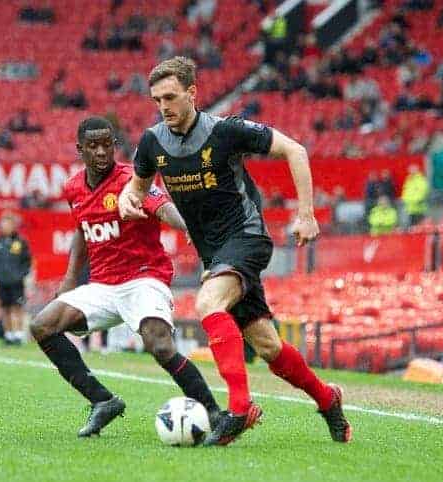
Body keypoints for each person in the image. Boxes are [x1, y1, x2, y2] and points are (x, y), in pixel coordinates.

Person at [119, 56, 351, 446]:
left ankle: (240, 408)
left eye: (171, 97)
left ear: (192, 92)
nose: (164, 107)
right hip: (215, 253)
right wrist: (129, 198)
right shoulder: (152, 141)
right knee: (267, 345)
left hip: (247, 236)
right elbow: (138, 188)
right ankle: (328, 400)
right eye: (157, 100)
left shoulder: (226, 131)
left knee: (208, 302)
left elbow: (295, 150)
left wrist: (307, 214)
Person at [29, 116, 221, 438]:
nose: (102, 152)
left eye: (107, 144)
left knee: (160, 346)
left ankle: (215, 413)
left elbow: (163, 207)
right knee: (42, 325)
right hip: (103, 286)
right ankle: (102, 400)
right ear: (81, 149)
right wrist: (69, 280)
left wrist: (188, 227)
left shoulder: (133, 179)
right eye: (93, 146)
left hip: (144, 278)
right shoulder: (73, 187)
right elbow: (82, 231)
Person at [0, 212, 31, 345]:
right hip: (1, 282)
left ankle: (18, 335)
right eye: (3, 224)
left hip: (16, 282)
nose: (5, 226)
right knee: (5, 308)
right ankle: (8, 335)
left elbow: (27, 261)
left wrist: (20, 275)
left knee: (17, 308)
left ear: (13, 225)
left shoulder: (21, 242)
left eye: (7, 223)